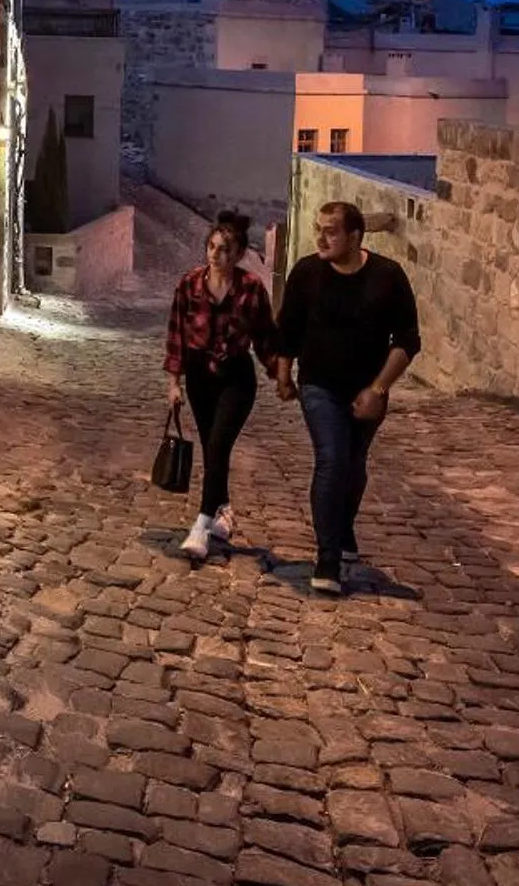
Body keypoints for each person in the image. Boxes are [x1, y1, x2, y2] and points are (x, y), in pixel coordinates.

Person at [274, 200, 421, 596]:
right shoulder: (307, 272)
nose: (321, 237)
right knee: (332, 459)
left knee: (354, 466)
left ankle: (342, 528)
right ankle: (328, 556)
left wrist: (378, 389)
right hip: (319, 384)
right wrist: (284, 374)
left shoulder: (387, 277)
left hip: (367, 389)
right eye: (318, 229)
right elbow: (288, 327)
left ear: (355, 237)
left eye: (331, 231)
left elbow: (407, 340)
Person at [162, 211, 273, 566]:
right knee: (213, 448)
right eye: (212, 247)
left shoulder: (251, 287)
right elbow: (176, 333)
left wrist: (280, 374)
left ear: (239, 253)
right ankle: (224, 511)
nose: (216, 255)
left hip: (236, 376)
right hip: (198, 376)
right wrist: (173, 382)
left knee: (219, 444)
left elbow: (265, 335)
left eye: (225, 250)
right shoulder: (190, 284)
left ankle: (202, 523)